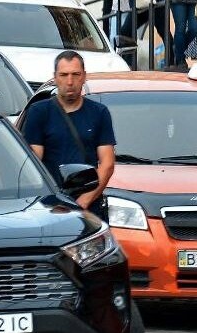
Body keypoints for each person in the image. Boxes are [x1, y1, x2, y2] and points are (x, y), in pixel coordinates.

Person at [21, 51, 117, 221]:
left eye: (75, 74)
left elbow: (107, 164)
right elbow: (33, 163)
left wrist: (85, 200)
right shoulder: (39, 112)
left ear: (84, 77)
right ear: (55, 77)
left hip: (90, 209)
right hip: (50, 207)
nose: (70, 81)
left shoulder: (99, 113)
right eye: (64, 75)